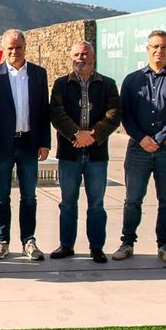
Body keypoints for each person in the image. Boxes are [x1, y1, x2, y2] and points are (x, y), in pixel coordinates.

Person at [114, 30, 166, 264]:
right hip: (138, 149)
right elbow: (125, 115)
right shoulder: (132, 80)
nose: (159, 51)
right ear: (147, 49)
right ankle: (127, 242)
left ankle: (164, 245)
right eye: (155, 46)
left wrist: (158, 138)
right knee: (133, 199)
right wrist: (141, 138)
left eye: (164, 47)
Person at [0, 28, 51, 261]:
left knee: (29, 196)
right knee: (1, 196)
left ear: (25, 48)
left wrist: (45, 142)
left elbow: (43, 111)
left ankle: (28, 240)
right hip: (2, 145)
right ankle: (2, 240)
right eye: (10, 48)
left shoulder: (39, 74)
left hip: (29, 143)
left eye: (18, 47)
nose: (14, 51)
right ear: (3, 49)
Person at [48, 41, 121, 264]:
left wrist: (93, 135)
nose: (81, 58)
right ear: (72, 57)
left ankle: (96, 247)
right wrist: (76, 135)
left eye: (85, 53)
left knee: (96, 204)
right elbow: (57, 114)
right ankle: (67, 245)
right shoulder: (61, 84)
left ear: (94, 57)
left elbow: (114, 114)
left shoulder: (108, 84)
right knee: (68, 202)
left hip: (96, 154)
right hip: (70, 153)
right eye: (77, 54)